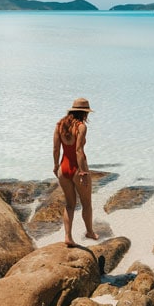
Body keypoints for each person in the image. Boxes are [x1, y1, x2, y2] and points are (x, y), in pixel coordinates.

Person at [53, 97, 99, 247]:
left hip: (63, 168)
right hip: (77, 169)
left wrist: (55, 166)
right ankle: (90, 232)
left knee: (70, 204)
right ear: (84, 113)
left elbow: (56, 148)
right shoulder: (81, 127)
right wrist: (83, 172)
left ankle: (68, 236)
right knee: (86, 204)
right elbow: (79, 151)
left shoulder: (60, 124)